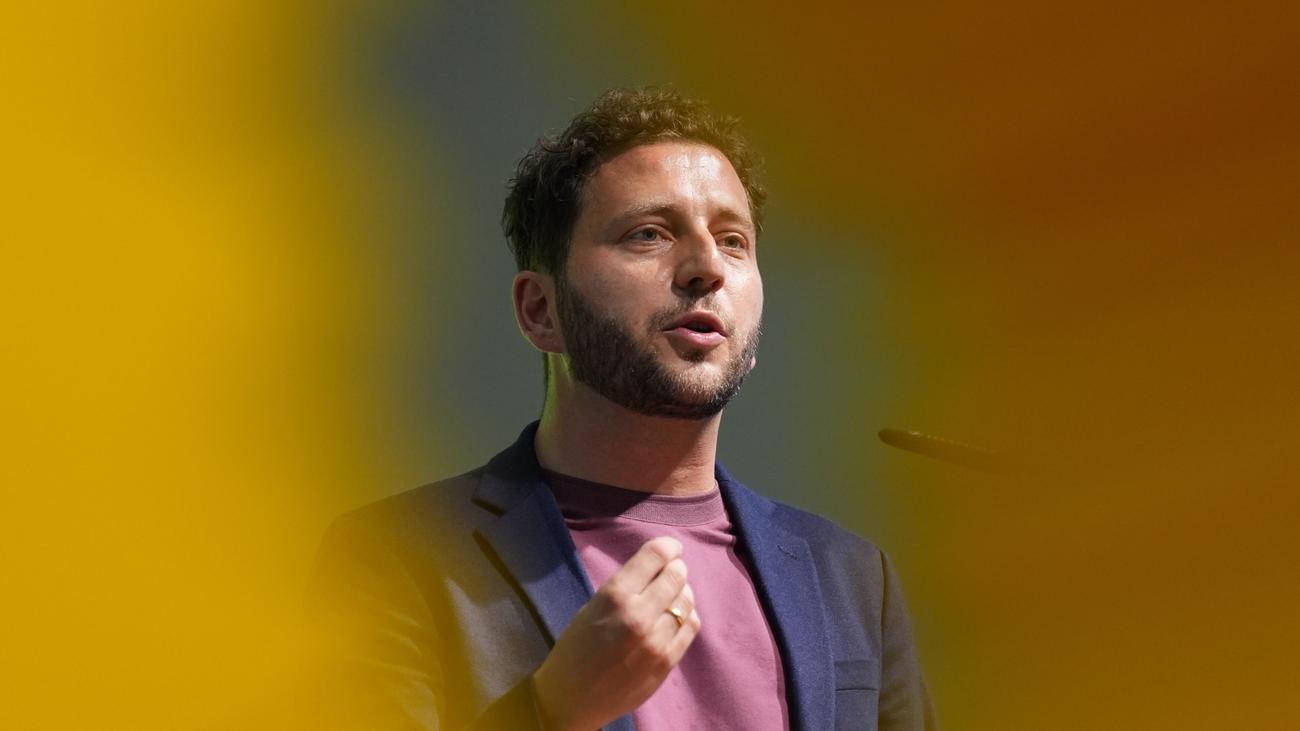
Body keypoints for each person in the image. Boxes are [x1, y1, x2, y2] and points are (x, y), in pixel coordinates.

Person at [304, 87, 936, 731]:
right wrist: (552, 711)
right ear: (540, 311)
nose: (706, 267)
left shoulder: (851, 578)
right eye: (649, 234)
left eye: (733, 240)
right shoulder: (399, 557)